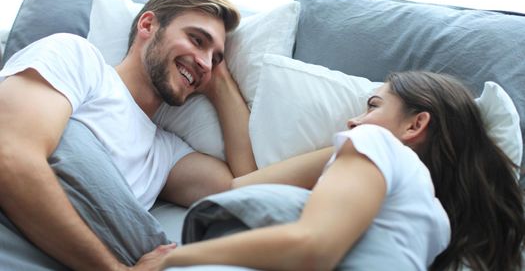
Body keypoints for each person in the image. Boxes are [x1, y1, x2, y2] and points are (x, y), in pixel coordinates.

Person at [151, 71, 525, 271]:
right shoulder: (434, 225)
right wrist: (221, 88)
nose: (353, 119)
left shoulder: (381, 147)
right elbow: (239, 188)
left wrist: (172, 258)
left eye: (373, 106)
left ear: (415, 126)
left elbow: (311, 248)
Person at [0, 0, 259, 270]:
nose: (205, 62)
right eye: (197, 40)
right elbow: (10, 157)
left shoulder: (164, 154)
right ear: (147, 24)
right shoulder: (79, 59)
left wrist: (220, 83)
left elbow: (246, 191)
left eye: (215, 57)